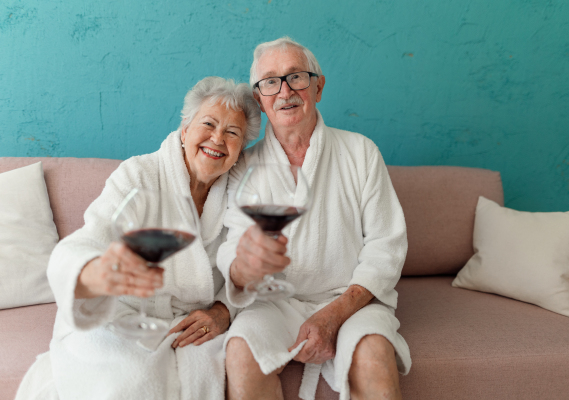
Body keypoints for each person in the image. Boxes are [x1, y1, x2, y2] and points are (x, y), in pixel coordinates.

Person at [15, 77, 261, 400]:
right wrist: (98, 272)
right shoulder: (139, 175)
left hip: (192, 329)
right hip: (121, 315)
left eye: (232, 133)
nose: (218, 138)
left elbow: (253, 268)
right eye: (209, 124)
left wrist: (224, 309)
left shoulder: (241, 193)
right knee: (129, 383)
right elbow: (83, 244)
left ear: (239, 150)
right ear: (185, 131)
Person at [217, 37, 411, 400]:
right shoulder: (244, 164)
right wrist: (244, 266)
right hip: (273, 303)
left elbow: (387, 247)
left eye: (297, 77)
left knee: (374, 356)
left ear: (318, 87)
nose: (285, 91)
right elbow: (232, 246)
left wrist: (335, 314)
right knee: (241, 353)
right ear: (259, 100)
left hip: (351, 300)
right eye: (271, 82)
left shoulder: (361, 152)